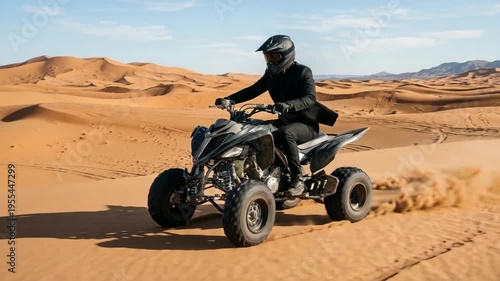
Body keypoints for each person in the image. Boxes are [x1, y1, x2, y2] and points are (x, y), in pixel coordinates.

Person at [215, 34, 338, 197]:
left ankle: (297, 179)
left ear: (286, 55)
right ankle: (259, 173)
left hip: (306, 125)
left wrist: (289, 105)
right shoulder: (271, 75)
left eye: (274, 56)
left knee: (286, 133)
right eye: (268, 57)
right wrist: (230, 99)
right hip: (284, 121)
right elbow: (253, 90)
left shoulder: (302, 72)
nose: (270, 61)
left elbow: (310, 98)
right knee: (254, 129)